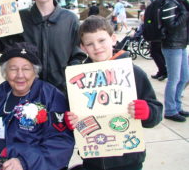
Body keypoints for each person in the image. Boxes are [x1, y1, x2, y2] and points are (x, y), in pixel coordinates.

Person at [0, 42, 74, 170]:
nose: (20, 75)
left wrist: (24, 162)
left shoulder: (52, 97)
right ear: (5, 72)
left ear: (35, 71)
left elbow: (61, 143)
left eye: (26, 69)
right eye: (13, 69)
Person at [65, 16, 163, 170]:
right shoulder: (77, 79)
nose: (97, 47)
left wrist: (147, 111)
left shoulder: (134, 73)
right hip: (93, 158)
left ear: (113, 39)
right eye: (90, 44)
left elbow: (156, 112)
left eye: (102, 40)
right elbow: (73, 113)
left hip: (128, 159)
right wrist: (71, 121)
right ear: (83, 48)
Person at [160, 0, 189, 122]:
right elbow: (171, 25)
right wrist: (185, 14)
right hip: (172, 45)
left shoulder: (180, 1)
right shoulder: (170, 1)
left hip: (181, 45)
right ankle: (170, 110)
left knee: (185, 77)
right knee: (174, 79)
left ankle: (177, 106)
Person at [148, 0, 167, 81]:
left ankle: (163, 71)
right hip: (159, 33)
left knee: (155, 52)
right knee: (158, 53)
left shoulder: (158, 5)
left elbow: (154, 19)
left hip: (157, 33)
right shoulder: (162, 3)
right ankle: (161, 71)